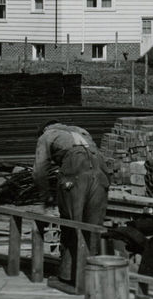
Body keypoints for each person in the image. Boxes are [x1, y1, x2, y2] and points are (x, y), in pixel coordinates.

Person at [52, 140, 110, 283]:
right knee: (93, 227)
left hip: (75, 168)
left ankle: (69, 275)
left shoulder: (48, 136)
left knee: (72, 224)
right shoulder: (83, 135)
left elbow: (40, 169)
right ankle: (91, 274)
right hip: (99, 167)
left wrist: (45, 193)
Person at [31, 120, 98, 210]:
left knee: (67, 207)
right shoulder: (80, 130)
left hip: (75, 162)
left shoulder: (46, 135)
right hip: (98, 162)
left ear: (44, 129)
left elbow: (39, 172)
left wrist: (46, 196)